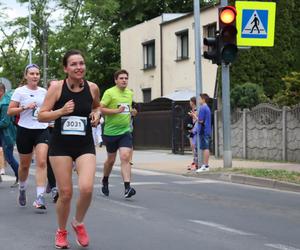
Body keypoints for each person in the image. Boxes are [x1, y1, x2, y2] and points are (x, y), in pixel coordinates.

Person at [38, 49, 101, 249]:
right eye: (73, 64)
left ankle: (78, 222)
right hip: (60, 146)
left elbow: (96, 107)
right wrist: (61, 111)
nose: (78, 67)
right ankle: (61, 231)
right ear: (66, 68)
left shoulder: (92, 88)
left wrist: (97, 115)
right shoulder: (57, 88)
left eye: (81, 63)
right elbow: (42, 115)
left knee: (87, 188)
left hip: (84, 144)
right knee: (65, 193)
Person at [7, 64, 49, 210]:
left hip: (42, 129)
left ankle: (39, 197)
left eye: (37, 74)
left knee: (42, 161)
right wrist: (24, 107)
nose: (35, 76)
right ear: (26, 76)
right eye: (32, 74)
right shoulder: (20, 91)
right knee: (24, 165)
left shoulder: (44, 91)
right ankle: (22, 189)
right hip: (24, 130)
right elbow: (10, 111)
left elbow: (49, 109)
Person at [100, 69, 136, 198]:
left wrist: (132, 111)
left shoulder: (129, 93)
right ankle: (105, 180)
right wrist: (116, 111)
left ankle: (127, 187)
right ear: (116, 80)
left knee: (125, 157)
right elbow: (100, 108)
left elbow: (128, 108)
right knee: (110, 160)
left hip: (125, 131)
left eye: (126, 78)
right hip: (110, 132)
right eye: (121, 78)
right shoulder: (109, 93)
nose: (124, 80)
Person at [0, 83, 19, 187]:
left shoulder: (5, 104)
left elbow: (5, 122)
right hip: (2, 133)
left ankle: (20, 176)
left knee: (9, 157)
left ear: (1, 92)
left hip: (7, 134)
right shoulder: (2, 101)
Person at [194, 93, 211, 172]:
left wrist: (195, 117)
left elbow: (201, 120)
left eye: (200, 99)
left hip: (203, 130)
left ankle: (205, 166)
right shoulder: (207, 107)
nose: (199, 100)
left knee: (205, 148)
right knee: (206, 148)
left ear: (203, 99)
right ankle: (206, 165)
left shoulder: (203, 108)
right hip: (206, 129)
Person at [185, 97, 198, 171]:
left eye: (190, 101)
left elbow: (196, 120)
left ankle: (196, 163)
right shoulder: (192, 110)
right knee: (192, 147)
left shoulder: (196, 110)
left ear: (193, 102)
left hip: (194, 130)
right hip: (191, 130)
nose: (189, 103)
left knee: (194, 146)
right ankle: (194, 161)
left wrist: (192, 115)